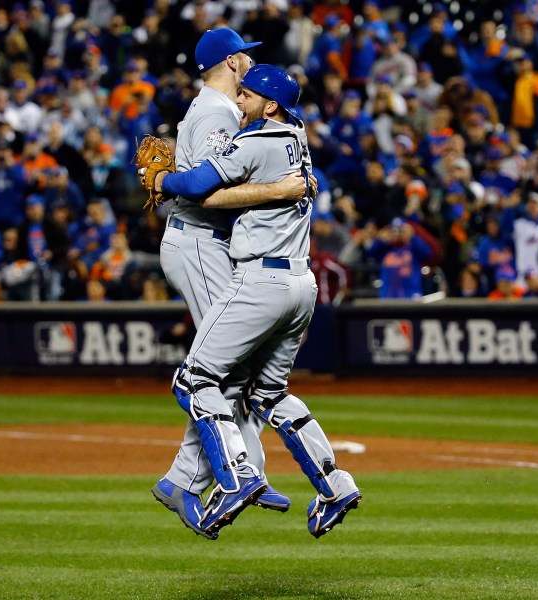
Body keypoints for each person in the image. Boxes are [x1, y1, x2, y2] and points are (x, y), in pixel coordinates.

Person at [154, 64, 361, 538]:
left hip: (260, 282)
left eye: (247, 95)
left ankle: (236, 476)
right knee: (268, 394)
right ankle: (334, 485)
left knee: (192, 380)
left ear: (270, 105)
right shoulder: (298, 135)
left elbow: (195, 186)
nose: (239, 101)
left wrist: (165, 179)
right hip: (300, 284)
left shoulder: (255, 140)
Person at [147, 30, 309, 540]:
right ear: (233, 61)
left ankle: (222, 474)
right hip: (197, 241)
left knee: (229, 365)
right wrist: (281, 189)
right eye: (247, 54)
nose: (252, 61)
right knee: (218, 368)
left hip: (205, 243)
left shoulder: (214, 110)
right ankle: (201, 478)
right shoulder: (218, 113)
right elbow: (206, 194)